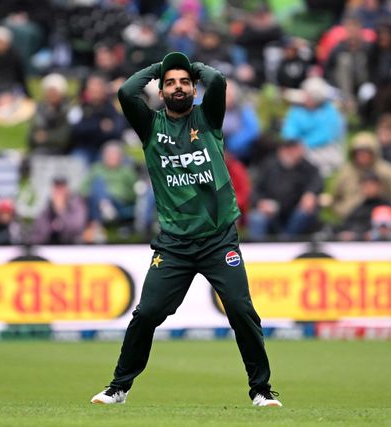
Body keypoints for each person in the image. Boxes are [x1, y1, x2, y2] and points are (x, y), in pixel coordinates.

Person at [90, 52, 282, 407]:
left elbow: (220, 81)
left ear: (194, 88)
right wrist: (160, 67)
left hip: (218, 239)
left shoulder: (208, 118)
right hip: (174, 244)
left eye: (185, 82)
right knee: (146, 314)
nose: (178, 87)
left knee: (241, 310)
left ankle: (261, 390)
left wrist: (194, 68)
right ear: (161, 92)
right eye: (170, 83)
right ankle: (119, 387)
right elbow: (126, 91)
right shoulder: (150, 126)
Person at [247, 138, 323, 241]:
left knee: (304, 213)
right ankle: (257, 250)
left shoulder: (306, 167)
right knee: (256, 218)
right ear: (285, 150)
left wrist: (310, 194)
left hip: (295, 210)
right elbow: (255, 191)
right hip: (271, 212)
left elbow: (316, 182)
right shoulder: (268, 166)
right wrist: (260, 203)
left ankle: (287, 243)